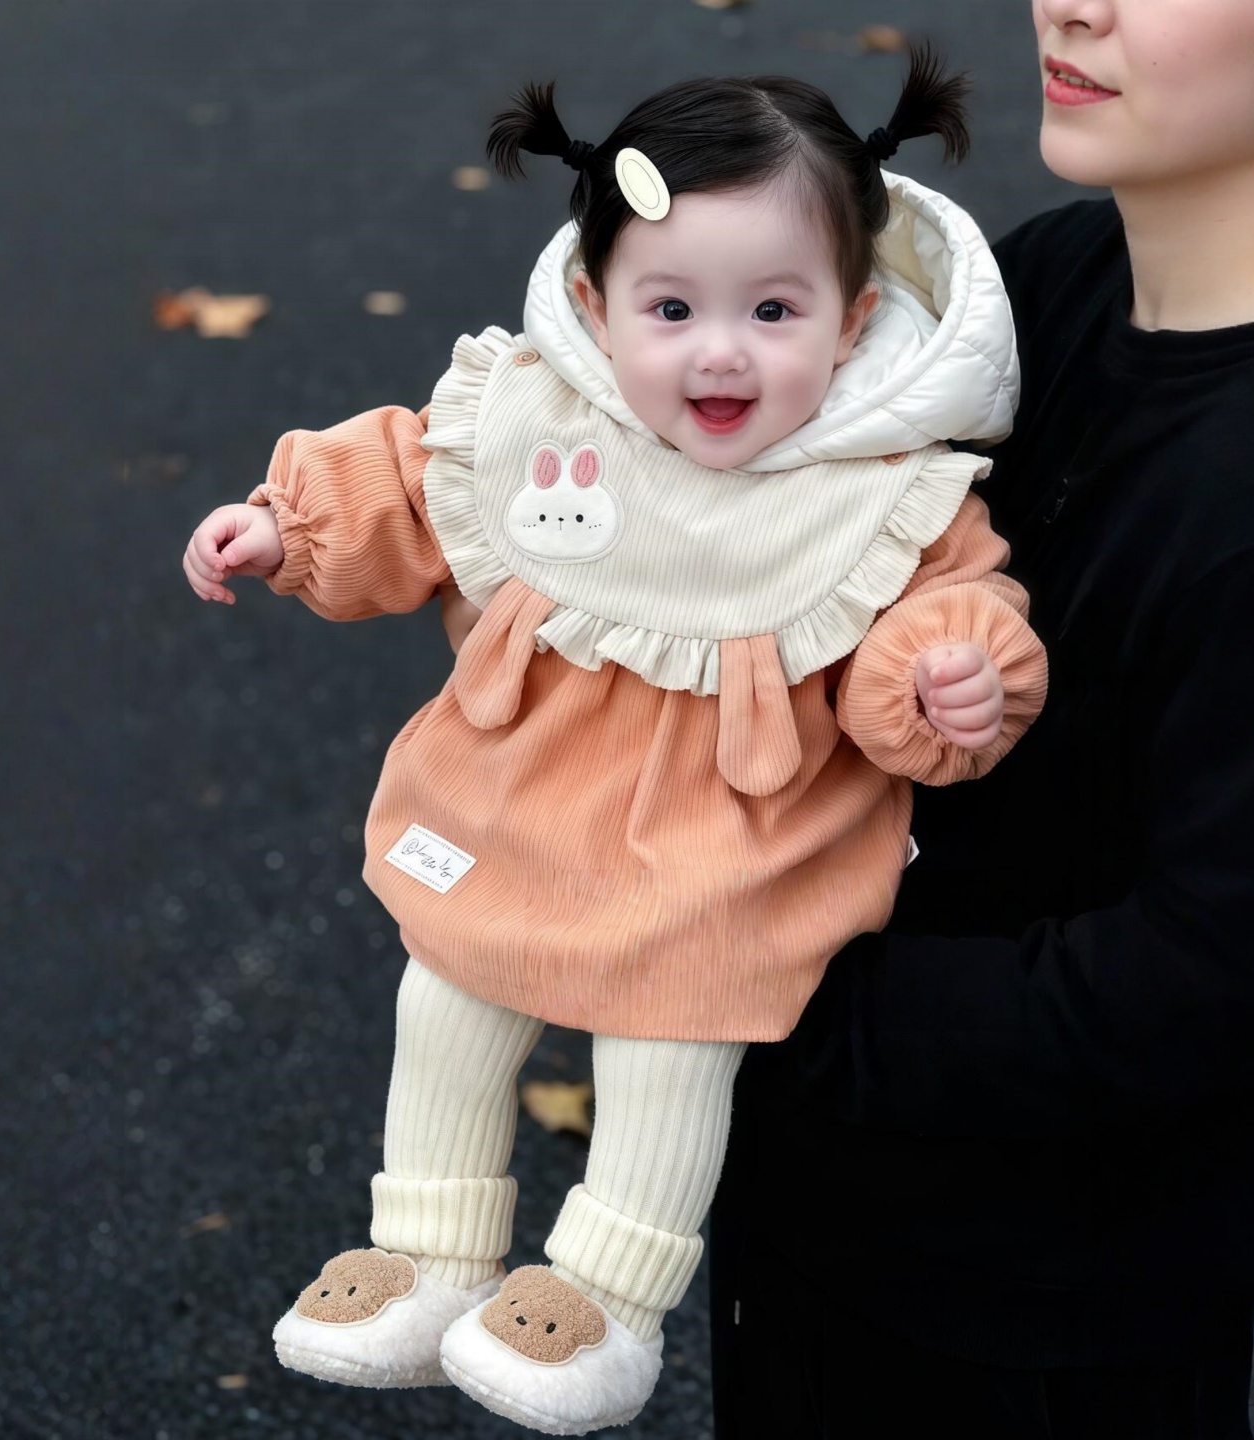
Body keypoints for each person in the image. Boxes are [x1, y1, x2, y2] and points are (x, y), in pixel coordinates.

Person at [182, 50, 1049, 1437]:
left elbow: (947, 606)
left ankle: (602, 1292)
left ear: (856, 314)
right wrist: (293, 525)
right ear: (595, 305)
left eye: (776, 308)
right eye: (671, 306)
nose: (721, 351)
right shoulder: (543, 413)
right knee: (450, 987)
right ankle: (426, 1249)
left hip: (729, 839)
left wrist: (948, 681)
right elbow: (410, 473)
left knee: (673, 1037)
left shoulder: (881, 485)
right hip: (525, 789)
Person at [698, 1, 1254, 1436]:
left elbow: (1202, 975)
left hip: (1045, 1317)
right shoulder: (1041, 284)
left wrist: (761, 1005)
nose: (1074, 3)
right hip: (820, 1217)